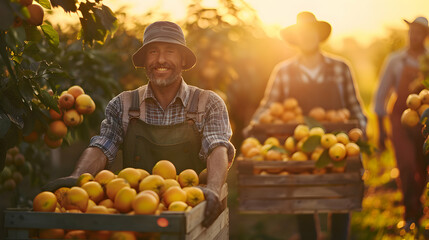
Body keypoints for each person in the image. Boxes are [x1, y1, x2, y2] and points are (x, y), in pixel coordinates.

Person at [44, 21, 235, 227]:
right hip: (136, 216)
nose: (160, 59)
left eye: (170, 51)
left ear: (182, 60)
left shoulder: (207, 103)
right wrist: (77, 177)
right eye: (153, 52)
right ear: (144, 60)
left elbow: (217, 146)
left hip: (191, 215)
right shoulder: (123, 105)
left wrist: (214, 189)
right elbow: (102, 145)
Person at [244, 12, 367, 240]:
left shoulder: (341, 68)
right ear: (296, 38)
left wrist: (361, 131)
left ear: (319, 36)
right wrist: (254, 126)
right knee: (302, 201)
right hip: (299, 148)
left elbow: (355, 106)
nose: (307, 37)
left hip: (338, 146)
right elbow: (269, 106)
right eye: (302, 33)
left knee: (341, 199)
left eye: (311, 33)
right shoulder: (284, 71)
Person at [374, 16, 429, 231]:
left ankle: (417, 206)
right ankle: (410, 214)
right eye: (411, 32)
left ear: (425, 36)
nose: (414, 36)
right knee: (405, 165)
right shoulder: (395, 60)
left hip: (425, 121)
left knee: (422, 168)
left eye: (419, 33)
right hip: (400, 119)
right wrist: (380, 130)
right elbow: (380, 95)